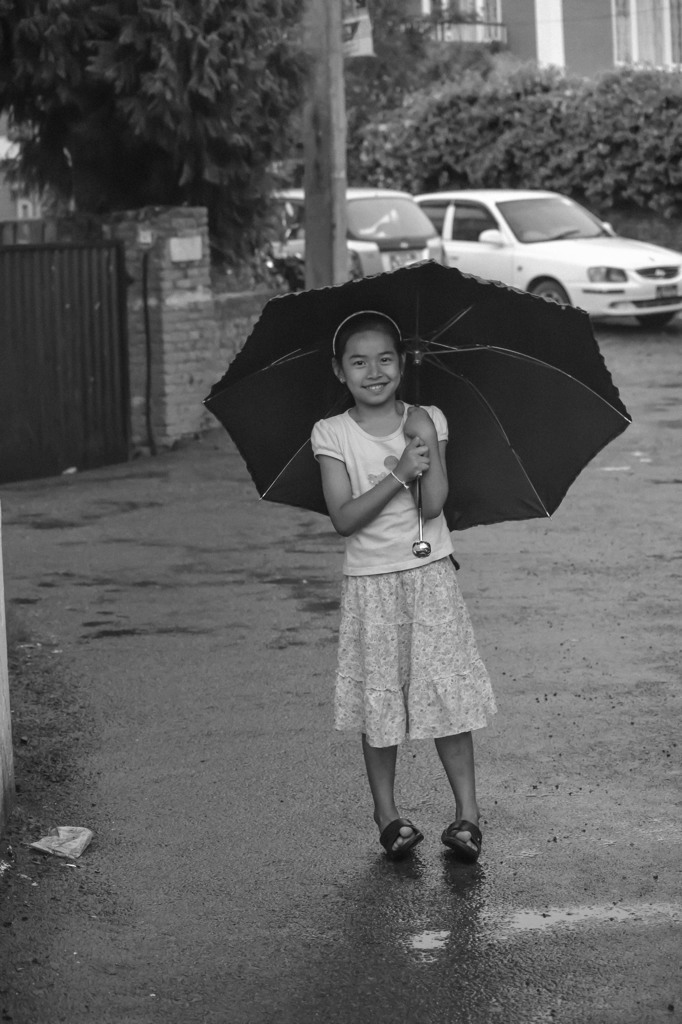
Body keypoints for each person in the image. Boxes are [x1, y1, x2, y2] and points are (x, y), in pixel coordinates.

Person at [311, 310, 497, 862]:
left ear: (403, 364)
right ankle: (387, 814)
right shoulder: (332, 433)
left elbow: (435, 505)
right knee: (381, 698)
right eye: (359, 361)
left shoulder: (426, 420)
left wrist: (426, 448)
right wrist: (395, 474)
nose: (374, 371)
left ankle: (467, 813)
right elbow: (344, 518)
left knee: (447, 693)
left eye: (386, 359)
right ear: (339, 371)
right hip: (371, 583)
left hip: (429, 575)